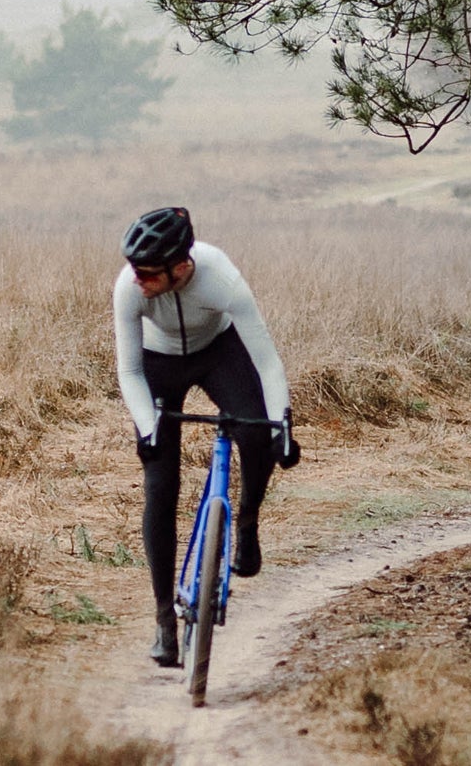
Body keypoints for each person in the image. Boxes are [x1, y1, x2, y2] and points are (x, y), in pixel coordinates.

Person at [115, 206, 299, 668]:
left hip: (218, 352)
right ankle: (163, 621)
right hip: (157, 366)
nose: (137, 278)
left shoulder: (222, 278)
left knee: (257, 437)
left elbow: (268, 362)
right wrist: (148, 427)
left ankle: (247, 523)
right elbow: (130, 370)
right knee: (161, 485)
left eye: (147, 272)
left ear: (180, 267)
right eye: (134, 269)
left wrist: (283, 425)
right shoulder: (128, 287)